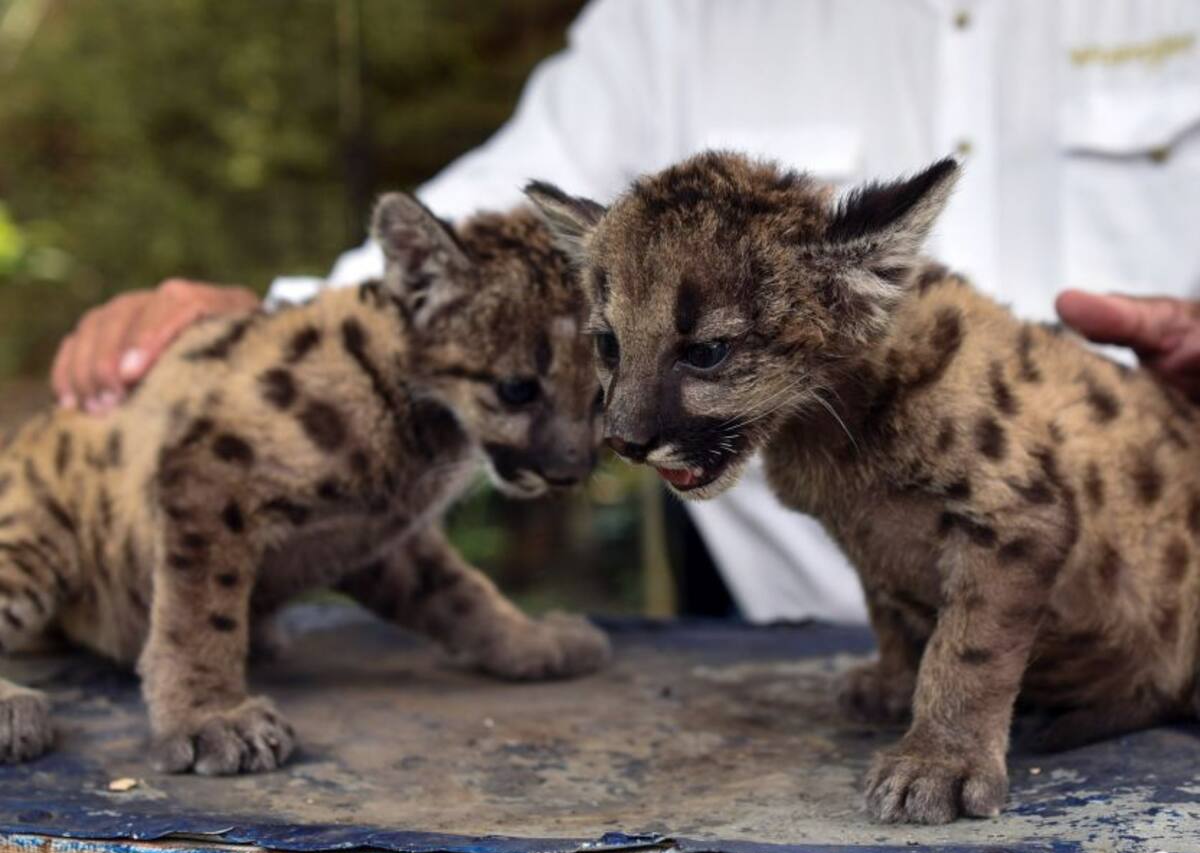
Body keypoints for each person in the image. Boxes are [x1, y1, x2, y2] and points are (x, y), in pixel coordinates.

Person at [49, 0, 1200, 624]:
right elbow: (477, 238)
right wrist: (258, 332)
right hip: (798, 669)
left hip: (1156, 610)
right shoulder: (676, 21)